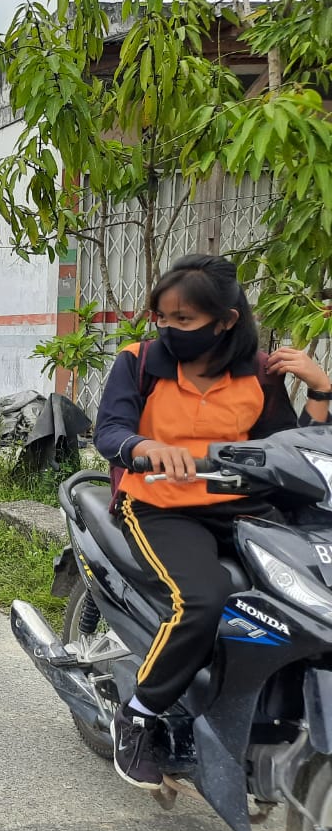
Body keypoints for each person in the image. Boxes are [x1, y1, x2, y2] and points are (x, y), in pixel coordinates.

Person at [95, 253, 331, 790]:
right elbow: (109, 431)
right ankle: (139, 714)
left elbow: (291, 448)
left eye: (184, 320)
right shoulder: (137, 362)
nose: (168, 330)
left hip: (242, 506)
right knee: (203, 599)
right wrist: (144, 446)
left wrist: (320, 390)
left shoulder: (259, 374)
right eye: (162, 318)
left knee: (302, 597)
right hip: (160, 505)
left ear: (225, 320)